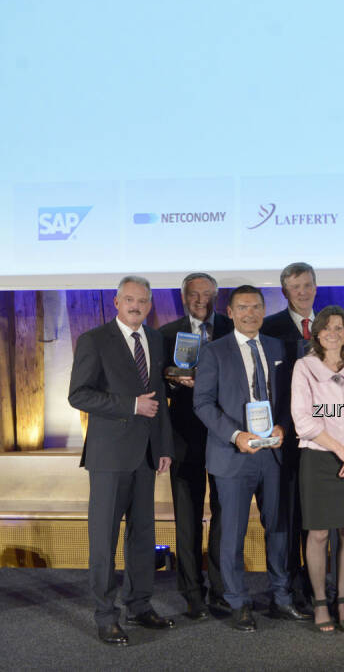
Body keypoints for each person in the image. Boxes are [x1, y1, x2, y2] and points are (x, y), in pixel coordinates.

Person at [193, 285, 308, 631]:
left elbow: (291, 397)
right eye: (242, 308)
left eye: (256, 307)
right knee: (232, 533)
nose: (250, 313)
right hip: (233, 456)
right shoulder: (213, 352)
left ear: (263, 310)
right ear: (230, 312)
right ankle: (237, 602)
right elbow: (203, 404)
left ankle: (282, 598)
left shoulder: (278, 347)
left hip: (274, 455)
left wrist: (284, 426)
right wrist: (236, 435)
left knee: (279, 529)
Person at [68, 275, 175, 646]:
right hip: (109, 456)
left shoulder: (155, 339)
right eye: (129, 299)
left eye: (142, 301)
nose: (136, 306)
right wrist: (130, 406)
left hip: (146, 455)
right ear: (116, 303)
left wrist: (164, 446)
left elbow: (158, 399)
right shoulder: (94, 340)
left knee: (143, 536)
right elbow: (79, 395)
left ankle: (139, 605)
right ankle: (105, 615)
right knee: (104, 539)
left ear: (149, 305)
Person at [290, 306, 344, 633]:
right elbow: (303, 420)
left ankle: (342, 599)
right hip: (319, 459)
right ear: (317, 333)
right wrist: (343, 452)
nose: (333, 333)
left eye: (339, 328)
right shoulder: (305, 367)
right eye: (327, 328)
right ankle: (319, 601)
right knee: (317, 533)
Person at [158, 272, 233, 619]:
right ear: (183, 297)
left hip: (224, 434)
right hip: (185, 437)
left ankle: (220, 587)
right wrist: (174, 381)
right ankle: (191, 591)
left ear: (217, 296)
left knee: (224, 514)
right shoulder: (166, 334)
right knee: (187, 518)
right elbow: (157, 383)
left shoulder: (232, 330)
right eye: (194, 294)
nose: (201, 300)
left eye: (207, 294)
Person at [260, 262, 318, 609]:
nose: (302, 292)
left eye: (307, 285)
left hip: (323, 437)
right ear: (284, 291)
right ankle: (290, 587)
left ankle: (316, 585)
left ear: (315, 287)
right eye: (295, 287)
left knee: (317, 517)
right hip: (285, 435)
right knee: (289, 516)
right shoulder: (269, 328)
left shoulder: (329, 326)